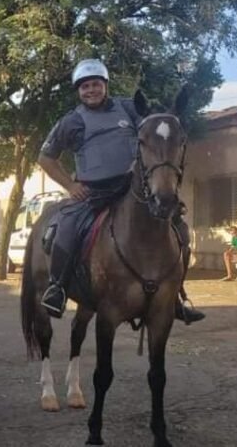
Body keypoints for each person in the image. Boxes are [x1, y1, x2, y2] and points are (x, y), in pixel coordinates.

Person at [37, 58, 205, 324]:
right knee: (66, 228)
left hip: (132, 188)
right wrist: (70, 186)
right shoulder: (71, 122)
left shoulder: (127, 108)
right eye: (85, 87)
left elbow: (154, 127)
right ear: (78, 91)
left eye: (96, 84)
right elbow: (46, 158)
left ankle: (176, 296)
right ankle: (57, 288)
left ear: (105, 86)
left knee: (179, 229)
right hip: (92, 193)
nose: (91, 90)